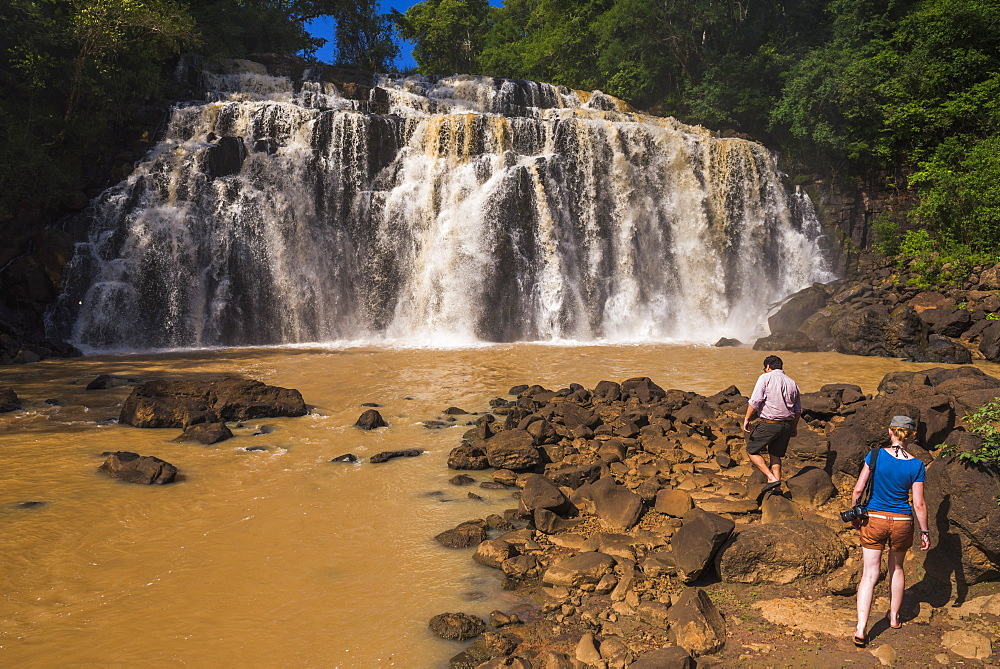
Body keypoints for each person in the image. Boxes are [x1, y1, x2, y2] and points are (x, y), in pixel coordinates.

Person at [850, 415, 930, 648]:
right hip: (902, 522)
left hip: (874, 519)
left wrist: (855, 513)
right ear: (912, 436)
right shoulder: (916, 465)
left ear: (890, 432)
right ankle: (894, 617)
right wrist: (925, 531)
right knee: (897, 567)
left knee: (869, 574)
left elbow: (858, 489)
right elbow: (919, 504)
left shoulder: (874, 455)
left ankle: (861, 629)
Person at [742, 355, 801, 491]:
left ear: (768, 367)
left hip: (770, 423)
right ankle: (777, 488)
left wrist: (747, 418)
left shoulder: (765, 378)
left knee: (751, 450)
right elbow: (798, 410)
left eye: (765, 368)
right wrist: (794, 427)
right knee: (775, 455)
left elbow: (755, 401)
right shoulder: (792, 383)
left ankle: (771, 478)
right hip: (786, 425)